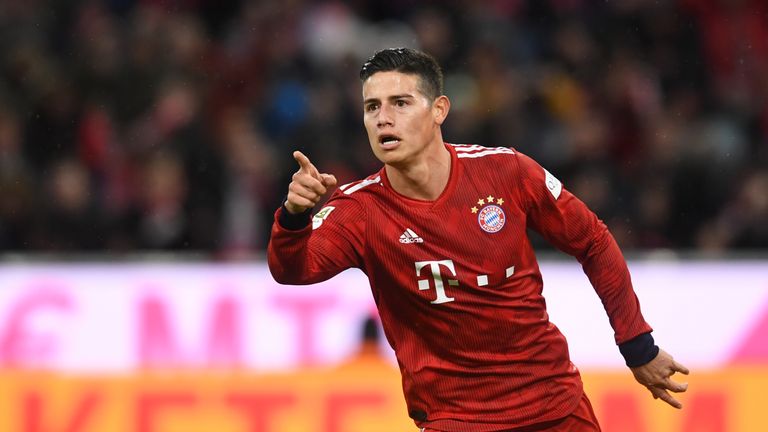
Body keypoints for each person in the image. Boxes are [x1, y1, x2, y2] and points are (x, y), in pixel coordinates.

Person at [267, 47, 689, 432]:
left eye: (400, 103)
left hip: (555, 408)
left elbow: (592, 241)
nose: (383, 119)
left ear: (439, 110)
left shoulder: (506, 172)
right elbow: (293, 270)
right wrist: (294, 217)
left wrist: (638, 346)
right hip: (456, 421)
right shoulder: (359, 210)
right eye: (372, 107)